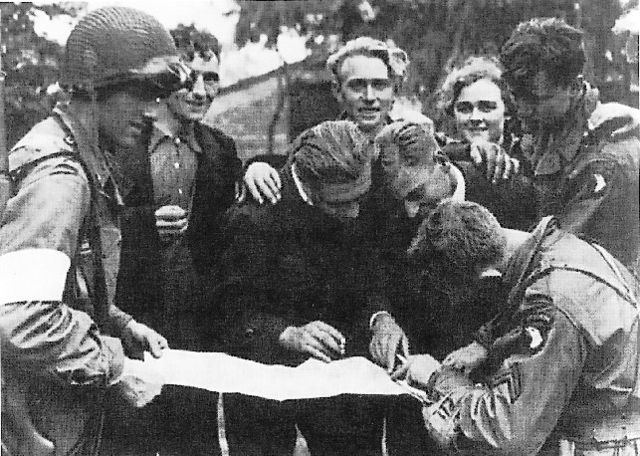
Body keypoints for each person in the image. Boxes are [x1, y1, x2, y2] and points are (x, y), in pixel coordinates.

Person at [0, 6, 185, 455]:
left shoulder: (80, 156)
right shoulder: (59, 176)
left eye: (159, 96)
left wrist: (120, 323)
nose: (152, 111)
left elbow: (67, 285)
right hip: (38, 420)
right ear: (94, 86)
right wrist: (114, 363)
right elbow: (20, 317)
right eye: (141, 92)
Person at [211, 120, 407, 455]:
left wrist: (382, 318)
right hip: (264, 381)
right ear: (308, 183)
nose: (354, 211)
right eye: (339, 204)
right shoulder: (253, 216)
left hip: (343, 384)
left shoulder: (363, 187)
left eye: (360, 198)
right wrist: (286, 333)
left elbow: (374, 271)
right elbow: (226, 310)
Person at [398, 199, 639, 455]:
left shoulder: (555, 301)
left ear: (486, 276)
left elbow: (509, 434)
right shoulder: (558, 247)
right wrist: (487, 343)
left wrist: (438, 378)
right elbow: (530, 292)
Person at [110, 24, 241, 456]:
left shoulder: (221, 150)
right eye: (190, 78)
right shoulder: (120, 146)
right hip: (129, 326)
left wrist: (259, 165)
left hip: (197, 331)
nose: (201, 91)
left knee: (197, 443)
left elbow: (229, 231)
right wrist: (143, 225)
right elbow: (92, 228)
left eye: (212, 79)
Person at [243, 37, 514, 206]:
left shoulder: (423, 143)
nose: (370, 97)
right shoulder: (321, 146)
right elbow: (289, 168)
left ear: (394, 91)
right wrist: (255, 167)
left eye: (380, 85)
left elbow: (449, 156)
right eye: (358, 86)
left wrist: (483, 149)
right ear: (338, 92)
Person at [499, 17, 640, 273]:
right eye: (515, 96)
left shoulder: (606, 159)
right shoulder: (546, 129)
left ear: (574, 86)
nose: (523, 109)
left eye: (536, 99)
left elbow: (560, 255)